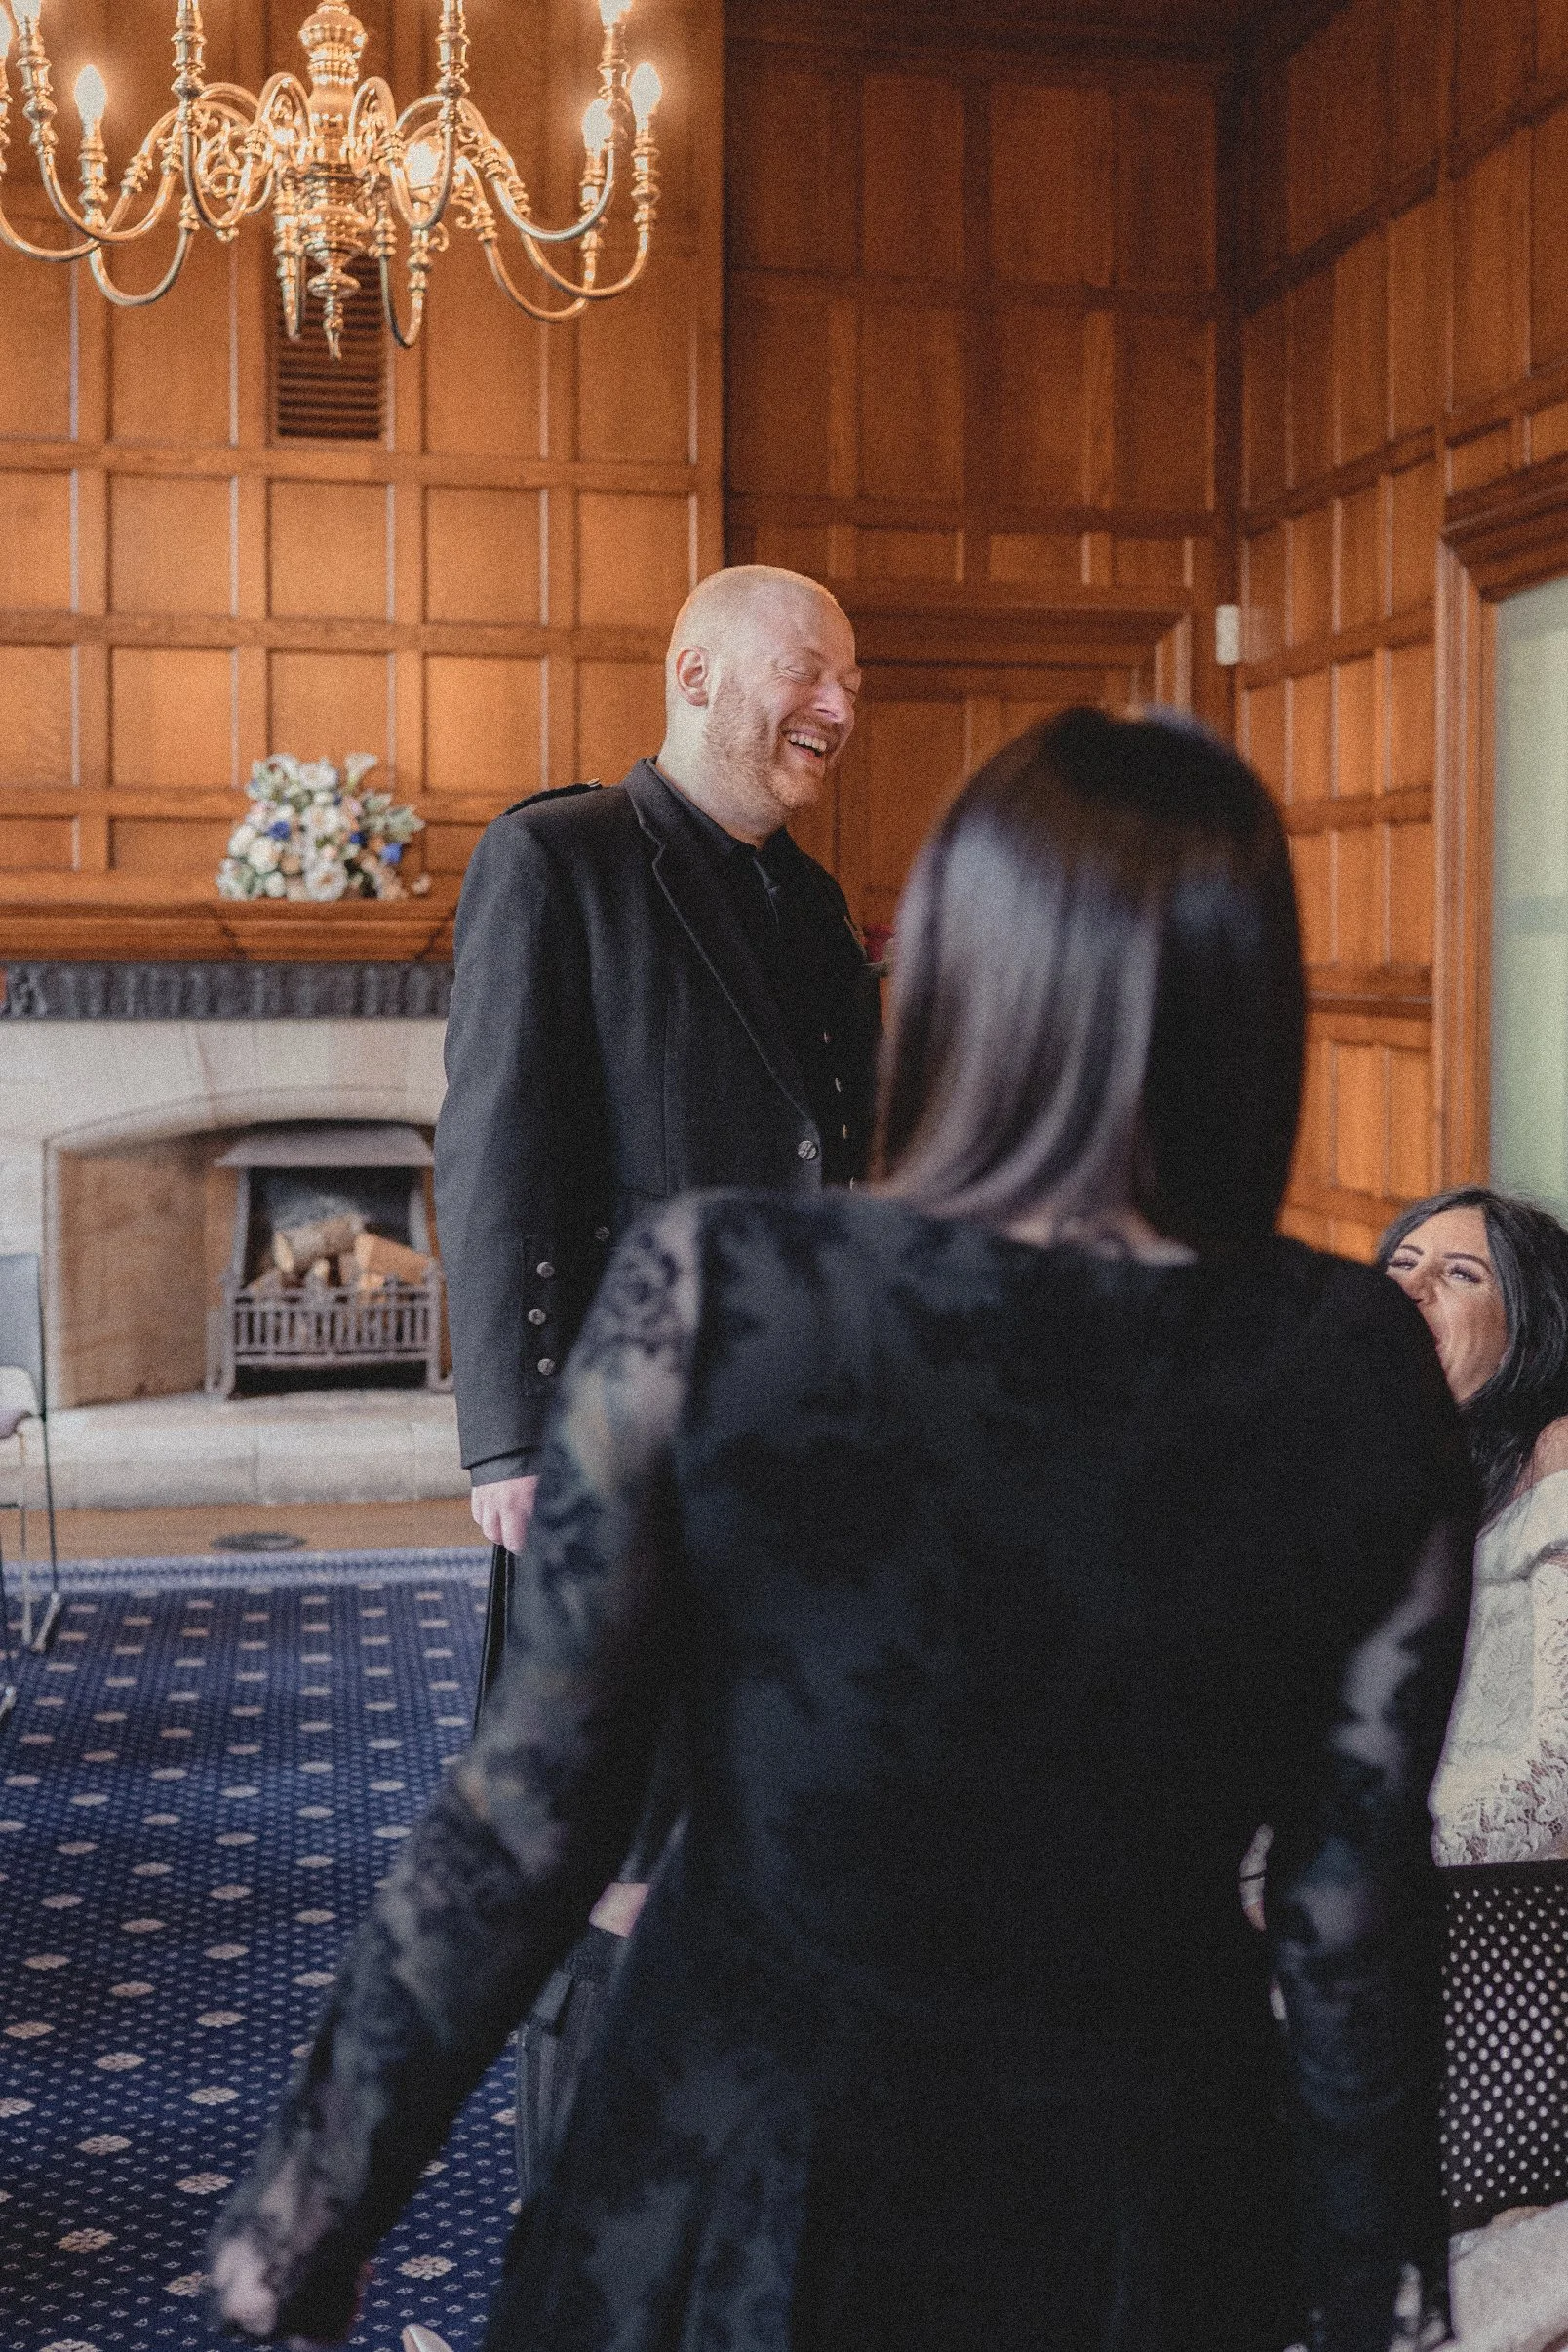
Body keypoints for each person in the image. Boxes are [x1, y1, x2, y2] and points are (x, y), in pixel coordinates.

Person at [210, 708, 1474, 2352]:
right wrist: (1379, 2287)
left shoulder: (722, 1290)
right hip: (1141, 2185)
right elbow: (1349, 1888)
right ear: (1252, 1014)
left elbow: (528, 1815)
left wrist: (315, 2204)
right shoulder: (1354, 1360)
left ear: (950, 981)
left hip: (740, 2161)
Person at [434, 562, 882, 2184]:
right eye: (810, 672)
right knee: (610, 1848)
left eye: (852, 682)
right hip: (617, 1455)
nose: (839, 707)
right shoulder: (557, 858)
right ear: (694, 671)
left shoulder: (811, 904)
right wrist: (507, 1442)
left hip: (793, 1459)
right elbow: (493, 1154)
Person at [1379, 1187, 1568, 1861]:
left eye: (1461, 1273)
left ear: (1529, 1329)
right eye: (1401, 1263)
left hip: (1497, 1895)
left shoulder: (1556, 1454)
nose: (1412, 1287)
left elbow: (1560, 1773)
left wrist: (1359, 1874)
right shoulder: (1360, 1479)